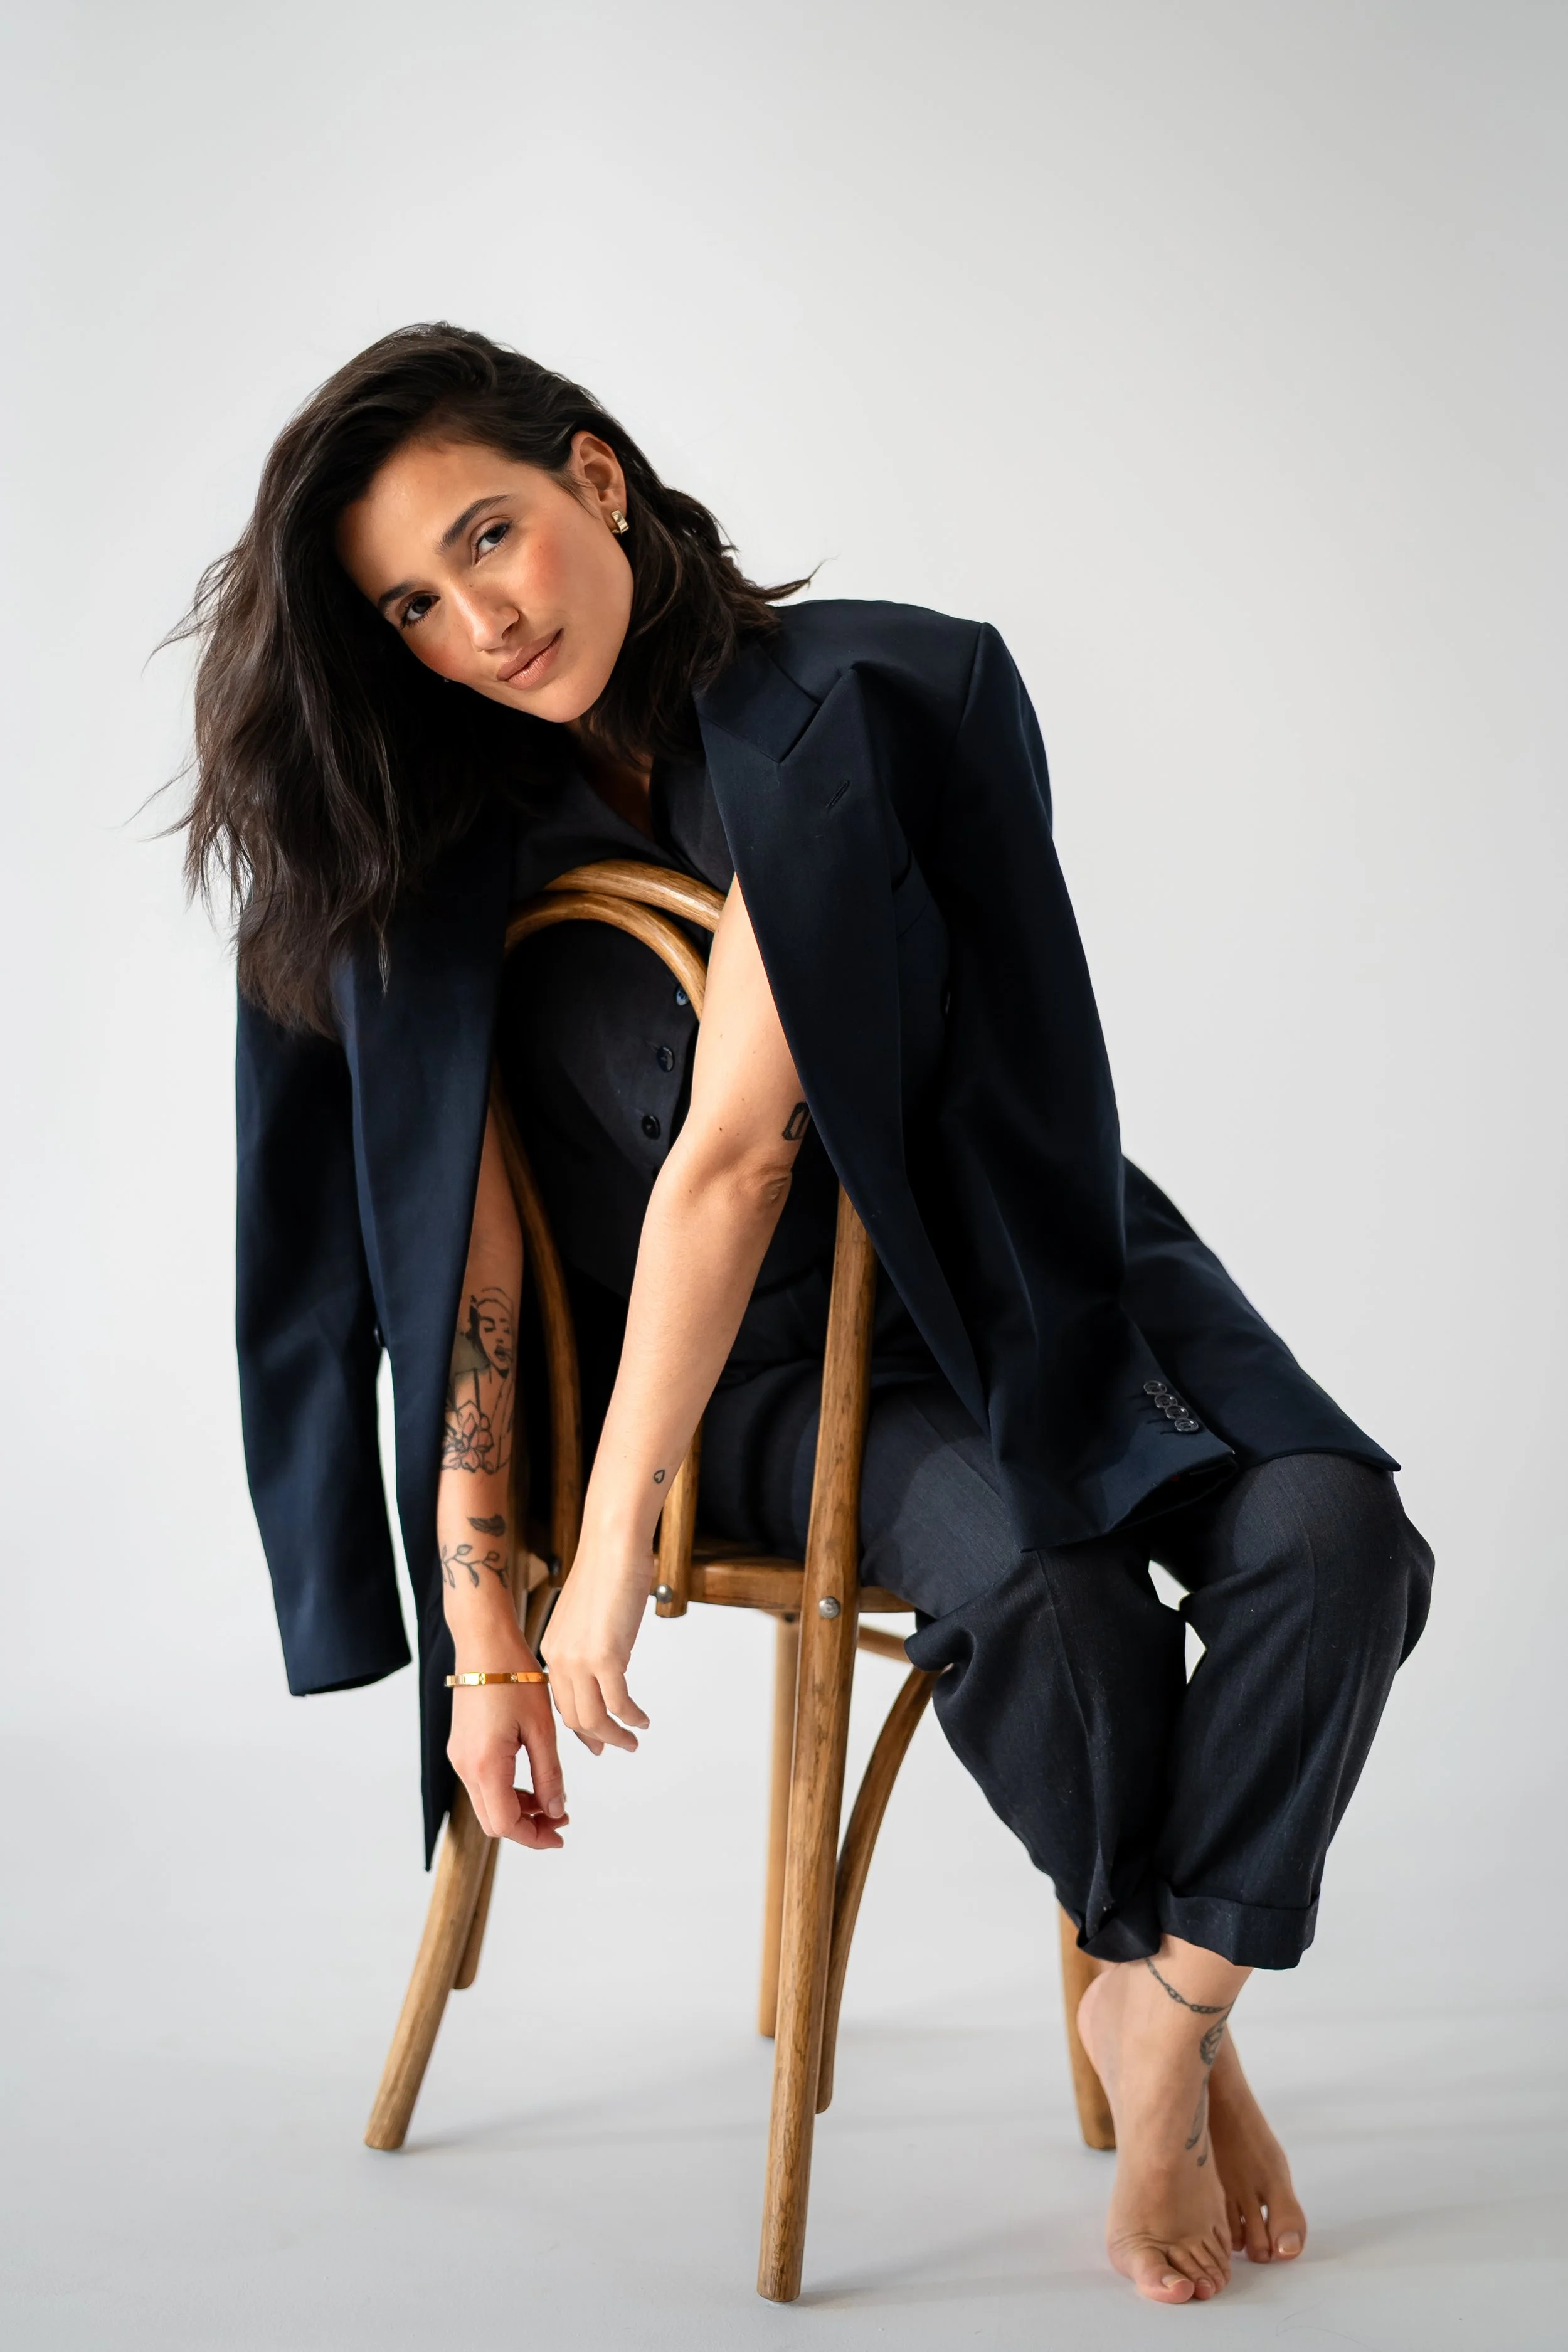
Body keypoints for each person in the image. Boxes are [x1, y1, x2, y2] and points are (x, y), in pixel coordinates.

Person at [181, 324, 1433, 2306]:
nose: (475, 623)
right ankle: (1172, 2005)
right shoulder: (433, 849)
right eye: (412, 604)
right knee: (1051, 1596)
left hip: (1037, 1265)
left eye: (488, 537)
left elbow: (738, 1152)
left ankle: (1164, 2005)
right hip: (767, 1378)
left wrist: (599, 1572)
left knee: (1334, 1535)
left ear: (597, 476)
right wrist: (489, 1615)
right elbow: (468, 1252)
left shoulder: (849, 696)